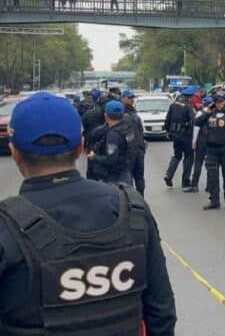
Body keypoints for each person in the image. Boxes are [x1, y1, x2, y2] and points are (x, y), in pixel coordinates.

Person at [0, 92, 176, 334]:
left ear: (14, 152)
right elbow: (161, 313)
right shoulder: (132, 210)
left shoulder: (6, 228)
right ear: (81, 147)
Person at [87, 100, 135, 185]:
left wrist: (94, 157)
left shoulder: (113, 135)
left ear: (106, 115)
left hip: (114, 177)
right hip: (126, 172)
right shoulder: (127, 128)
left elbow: (111, 160)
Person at [163, 86, 197, 189]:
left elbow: (167, 119)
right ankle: (185, 181)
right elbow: (194, 120)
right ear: (190, 97)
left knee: (177, 156)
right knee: (188, 157)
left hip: (175, 134)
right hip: (186, 135)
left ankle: (169, 174)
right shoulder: (188, 106)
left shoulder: (173, 104)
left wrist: (168, 131)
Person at [121, 89, 146, 196]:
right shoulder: (120, 113)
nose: (131, 100)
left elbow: (140, 132)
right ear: (123, 98)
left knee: (138, 177)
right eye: (129, 98)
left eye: (132, 98)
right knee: (128, 177)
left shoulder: (133, 113)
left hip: (137, 149)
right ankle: (132, 199)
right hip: (129, 150)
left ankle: (140, 198)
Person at [186, 96, 212, 193]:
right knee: (210, 163)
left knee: (198, 162)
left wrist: (194, 141)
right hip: (211, 141)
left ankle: (194, 185)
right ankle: (209, 185)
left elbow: (196, 128)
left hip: (201, 140)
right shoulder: (212, 113)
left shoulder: (200, 114)